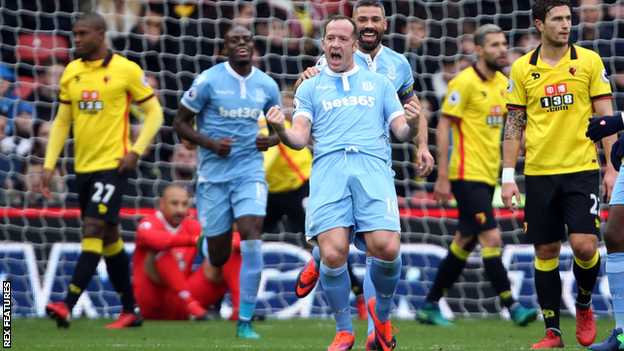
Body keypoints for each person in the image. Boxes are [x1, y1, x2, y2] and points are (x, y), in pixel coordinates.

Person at [266, 15, 421, 351]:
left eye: (342, 39)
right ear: (323, 45)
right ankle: (343, 330)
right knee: (333, 253)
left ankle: (381, 317)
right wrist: (280, 129)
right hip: (329, 169)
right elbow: (298, 138)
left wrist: (415, 125)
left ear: (354, 45)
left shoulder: (379, 83)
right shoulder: (310, 86)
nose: (335, 44)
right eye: (329, 38)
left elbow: (401, 132)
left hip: (372, 167)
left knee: (388, 248)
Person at [501, 0, 618, 348]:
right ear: (540, 24)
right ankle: (552, 331)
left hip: (582, 170)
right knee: (547, 248)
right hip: (539, 173)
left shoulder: (588, 61)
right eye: (557, 19)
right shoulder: (523, 68)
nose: (566, 24)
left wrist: (613, 167)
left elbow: (607, 119)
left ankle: (583, 303)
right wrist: (508, 175)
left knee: (584, 247)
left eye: (568, 18)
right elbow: (514, 124)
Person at [42, 12, 163, 329]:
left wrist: (135, 151)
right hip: (81, 169)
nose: (77, 39)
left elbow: (154, 113)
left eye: (82, 34)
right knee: (109, 237)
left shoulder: (126, 70)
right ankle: (130, 310)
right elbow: (61, 122)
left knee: (93, 229)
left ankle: (66, 304)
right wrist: (48, 164)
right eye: (74, 34)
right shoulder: (72, 72)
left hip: (113, 167)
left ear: (100, 35)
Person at [417, 24, 538, 327]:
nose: (502, 50)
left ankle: (430, 304)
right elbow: (443, 127)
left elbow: (510, 125)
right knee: (492, 236)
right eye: (495, 45)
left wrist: (524, 145)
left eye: (504, 44)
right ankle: (513, 306)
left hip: (488, 175)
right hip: (465, 174)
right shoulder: (464, 83)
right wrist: (443, 176)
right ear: (480, 50)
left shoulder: (503, 83)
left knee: (465, 240)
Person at [172, 25, 281, 339]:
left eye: (246, 39)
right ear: (225, 47)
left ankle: (244, 320)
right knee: (218, 256)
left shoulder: (267, 85)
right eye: (235, 40)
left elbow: (280, 129)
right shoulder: (208, 81)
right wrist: (208, 143)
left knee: (251, 236)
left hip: (250, 173)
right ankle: (206, 241)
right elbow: (179, 122)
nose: (242, 44)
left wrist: (270, 139)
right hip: (213, 178)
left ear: (253, 45)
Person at [133, 184, 242, 321]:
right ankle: (190, 305)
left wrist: (233, 243)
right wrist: (193, 240)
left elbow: (234, 238)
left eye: (185, 204)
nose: (180, 209)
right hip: (152, 302)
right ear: (161, 203)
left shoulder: (192, 225)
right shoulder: (150, 223)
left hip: (182, 303)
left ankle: (240, 309)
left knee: (227, 250)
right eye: (174, 203)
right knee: (160, 249)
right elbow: (149, 238)